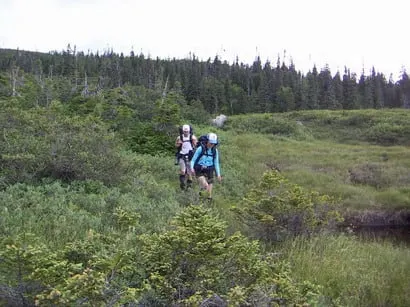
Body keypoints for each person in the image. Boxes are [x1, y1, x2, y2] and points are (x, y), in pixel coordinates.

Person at [190, 132, 222, 201]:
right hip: (199, 169)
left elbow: (216, 163)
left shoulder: (215, 151)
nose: (212, 144)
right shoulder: (200, 149)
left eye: (213, 143)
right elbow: (193, 160)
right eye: (210, 143)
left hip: (210, 169)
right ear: (207, 141)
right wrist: (192, 168)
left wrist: (218, 174)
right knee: (205, 186)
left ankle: (206, 202)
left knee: (209, 194)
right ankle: (200, 199)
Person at [175, 124, 197, 190]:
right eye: (184, 131)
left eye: (187, 131)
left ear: (189, 131)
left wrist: (194, 142)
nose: (186, 132)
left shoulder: (192, 137)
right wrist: (178, 144)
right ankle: (182, 184)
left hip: (190, 155)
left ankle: (189, 187)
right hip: (182, 155)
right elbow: (176, 145)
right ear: (182, 131)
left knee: (189, 172)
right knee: (183, 171)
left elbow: (196, 146)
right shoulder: (179, 137)